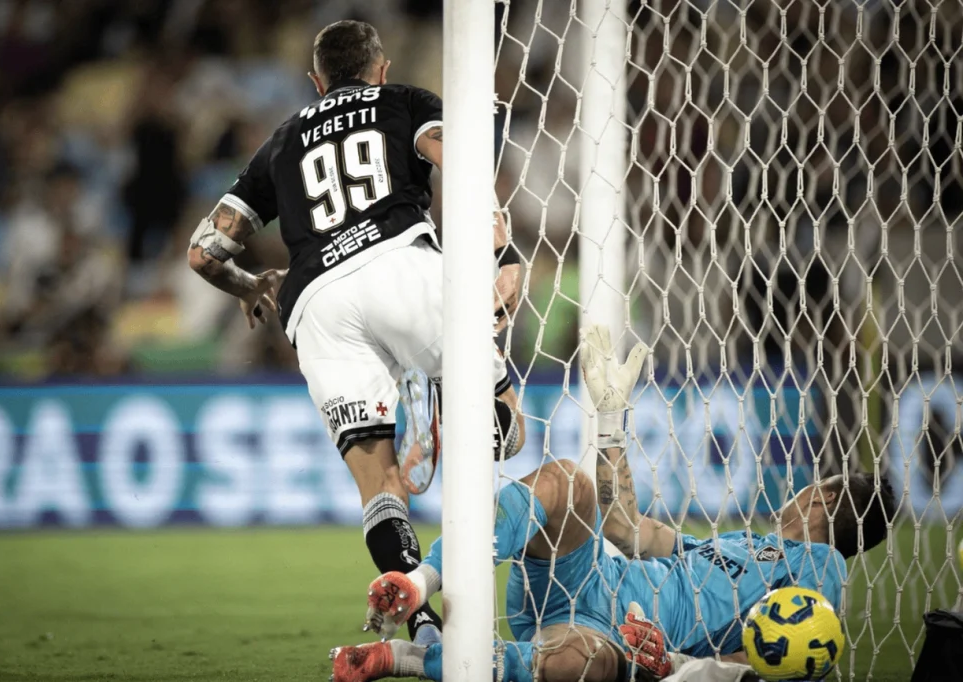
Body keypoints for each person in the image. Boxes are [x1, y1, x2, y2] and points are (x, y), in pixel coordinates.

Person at [186, 20, 526, 644]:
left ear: (315, 82)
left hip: (316, 302)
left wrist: (250, 286)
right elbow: (463, 165)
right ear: (381, 67)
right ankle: (449, 411)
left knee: (379, 486)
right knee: (506, 427)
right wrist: (500, 253)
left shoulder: (281, 142)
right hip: (400, 261)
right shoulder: (403, 101)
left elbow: (204, 252)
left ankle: (422, 631)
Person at [329, 325, 895, 681]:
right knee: (564, 483)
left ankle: (406, 659)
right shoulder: (743, 545)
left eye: (816, 485)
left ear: (822, 499)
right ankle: (422, 582)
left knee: (582, 667)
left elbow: (784, 662)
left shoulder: (821, 573)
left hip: (612, 633)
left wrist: (672, 666)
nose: (801, 488)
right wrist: (608, 424)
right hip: (586, 567)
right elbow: (625, 528)